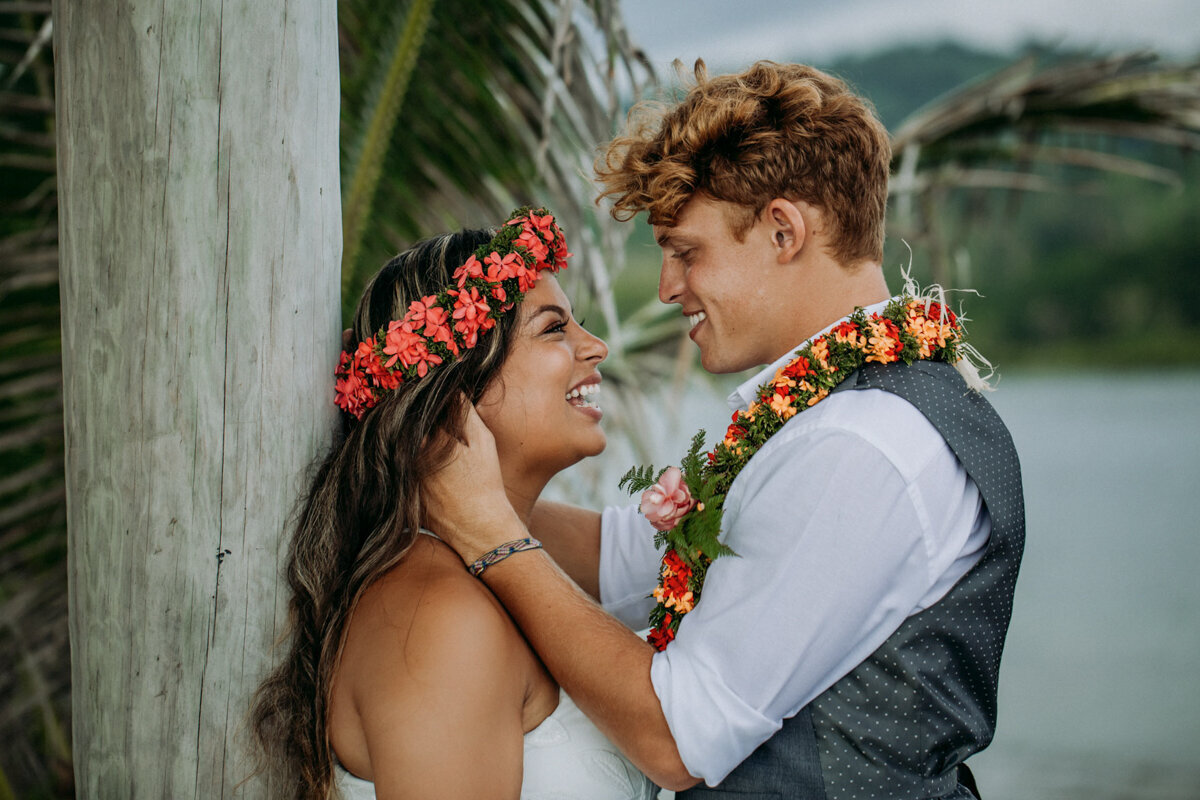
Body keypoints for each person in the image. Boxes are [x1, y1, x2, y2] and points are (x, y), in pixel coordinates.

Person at [421, 62, 1025, 799]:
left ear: (782, 231)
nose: (671, 287)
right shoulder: (822, 412)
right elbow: (620, 561)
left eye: (686, 252)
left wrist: (489, 537)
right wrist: (440, 491)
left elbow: (677, 739)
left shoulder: (861, 445)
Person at [249, 208, 658, 800]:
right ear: (454, 391)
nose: (595, 347)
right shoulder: (441, 620)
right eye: (553, 329)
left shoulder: (490, 557)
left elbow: (644, 550)